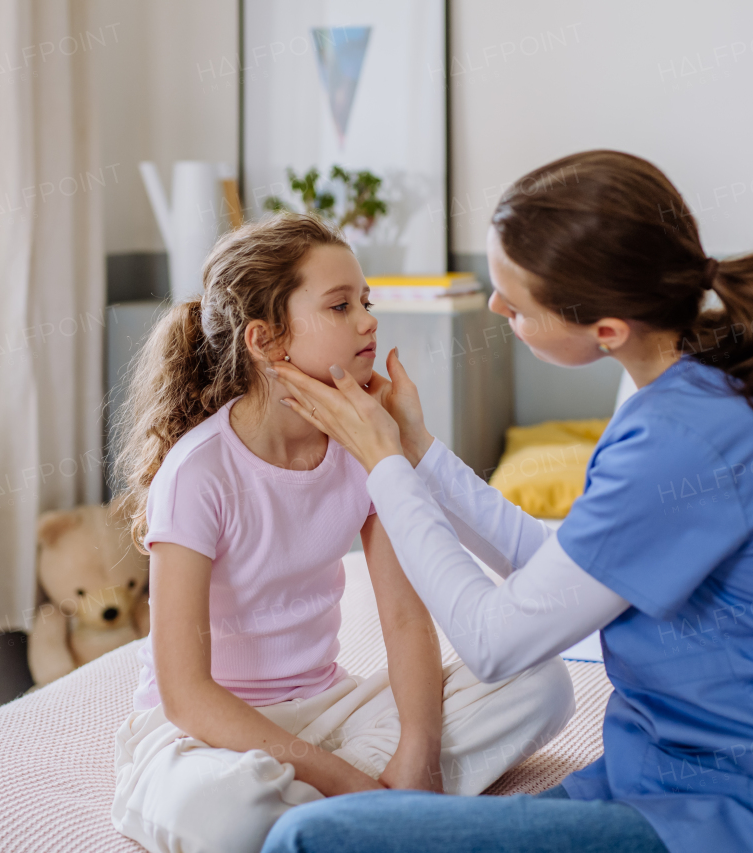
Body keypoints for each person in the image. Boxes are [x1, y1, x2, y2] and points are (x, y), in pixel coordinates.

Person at [261, 151, 753, 853]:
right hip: (667, 779)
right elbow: (566, 575)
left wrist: (381, 460)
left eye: (516, 303)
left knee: (309, 837)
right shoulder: (687, 381)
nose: (495, 306)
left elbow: (494, 641)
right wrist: (417, 451)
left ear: (606, 330)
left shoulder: (681, 437)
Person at [108, 214, 575, 853]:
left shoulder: (364, 444)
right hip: (206, 735)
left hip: (328, 709)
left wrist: (419, 748)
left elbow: (407, 620)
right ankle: (369, 814)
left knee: (540, 682)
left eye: (366, 301)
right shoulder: (199, 472)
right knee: (225, 812)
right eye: (339, 305)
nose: (367, 321)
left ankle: (339, 820)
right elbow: (186, 695)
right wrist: (355, 782)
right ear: (267, 340)